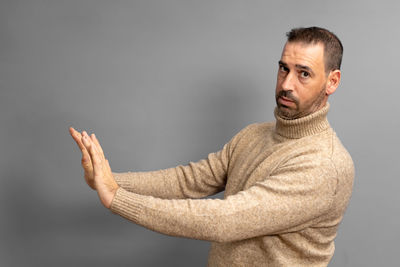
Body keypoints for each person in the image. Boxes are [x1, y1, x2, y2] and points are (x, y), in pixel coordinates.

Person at [69, 26, 354, 266]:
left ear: (332, 81)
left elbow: (225, 220)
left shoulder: (324, 164)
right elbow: (189, 181)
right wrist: (105, 179)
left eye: (304, 73)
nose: (286, 83)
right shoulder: (254, 135)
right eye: (283, 68)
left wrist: (117, 198)